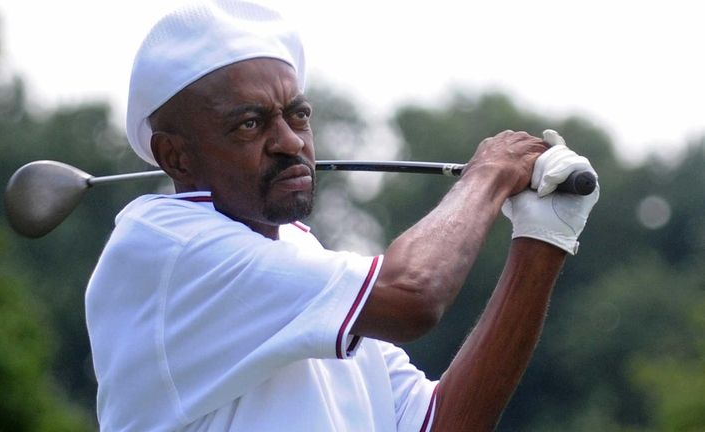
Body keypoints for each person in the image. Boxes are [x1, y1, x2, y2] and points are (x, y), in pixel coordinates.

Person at [85, 1, 599, 431]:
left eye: (298, 114)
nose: (290, 142)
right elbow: (412, 296)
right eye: (250, 123)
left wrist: (542, 240)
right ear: (176, 156)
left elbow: (442, 423)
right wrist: (489, 174)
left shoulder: (302, 260)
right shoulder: (167, 248)